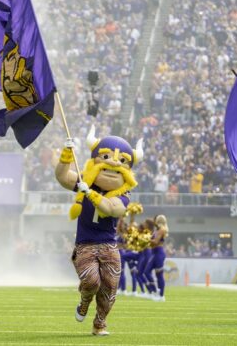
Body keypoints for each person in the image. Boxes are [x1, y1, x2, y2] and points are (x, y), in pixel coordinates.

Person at [56, 127, 142, 336]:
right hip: (85, 244)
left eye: (121, 163)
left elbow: (111, 208)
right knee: (91, 282)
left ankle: (99, 323)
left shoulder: (123, 194)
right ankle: (84, 301)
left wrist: (90, 194)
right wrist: (66, 154)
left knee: (110, 286)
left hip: (108, 245)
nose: (113, 165)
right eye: (105, 158)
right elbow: (62, 177)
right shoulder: (85, 180)